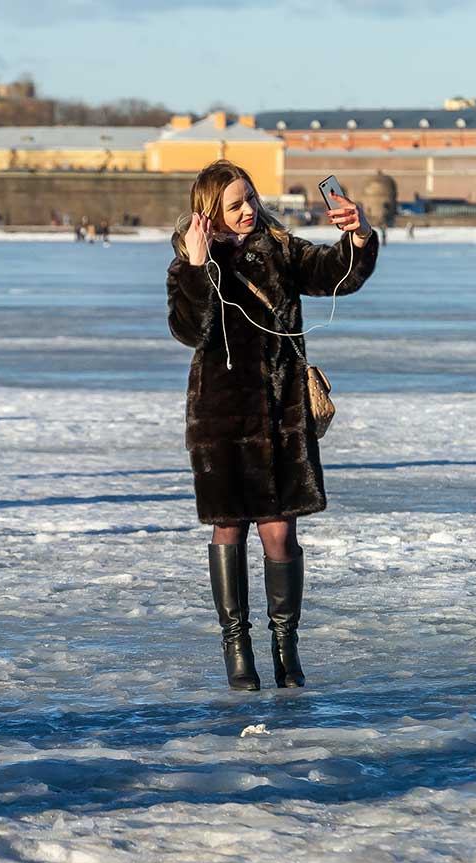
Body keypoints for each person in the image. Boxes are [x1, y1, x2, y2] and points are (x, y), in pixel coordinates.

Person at [166, 160, 379, 691]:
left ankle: (286, 643)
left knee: (281, 531)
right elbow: (190, 330)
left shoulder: (280, 248)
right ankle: (236, 645)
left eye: (250, 199)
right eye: (235, 205)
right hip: (222, 417)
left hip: (283, 412)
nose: (248, 211)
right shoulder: (191, 263)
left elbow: (335, 274)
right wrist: (197, 265)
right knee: (229, 526)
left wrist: (359, 235)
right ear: (209, 212)